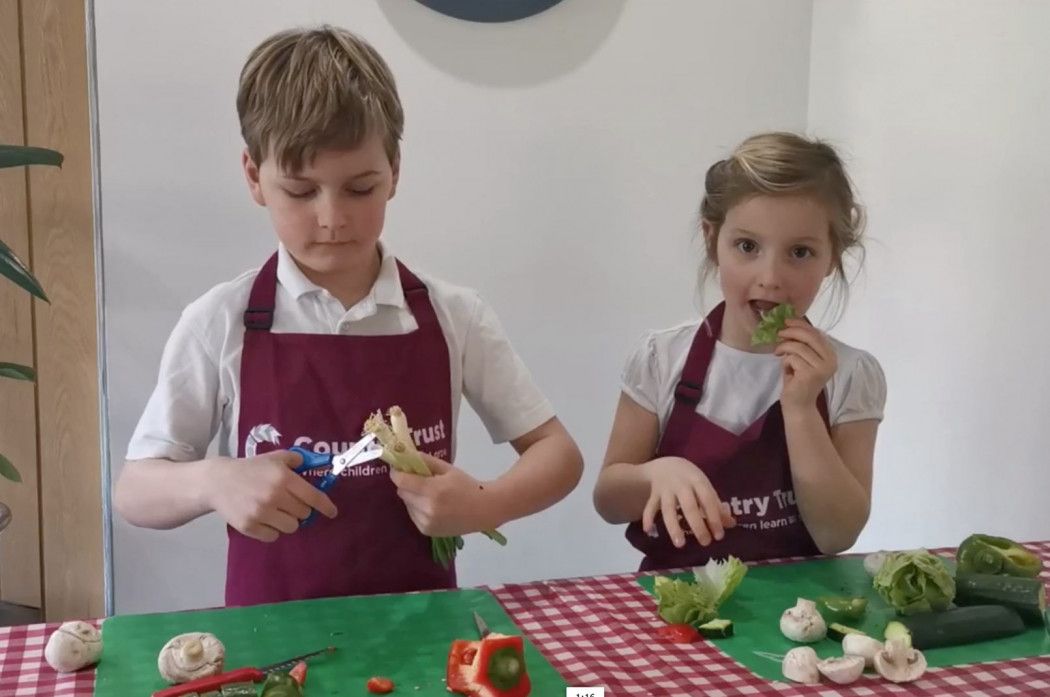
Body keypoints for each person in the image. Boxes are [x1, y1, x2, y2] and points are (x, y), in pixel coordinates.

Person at [114, 25, 583, 606]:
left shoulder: (452, 315)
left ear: (395, 172)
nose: (332, 218)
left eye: (360, 189)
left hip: (424, 639)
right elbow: (134, 492)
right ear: (254, 176)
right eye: (301, 191)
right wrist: (213, 480)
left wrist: (486, 502)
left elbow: (558, 455)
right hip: (275, 649)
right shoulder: (221, 321)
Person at [593, 132, 885, 571]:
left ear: (831, 258)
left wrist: (803, 408)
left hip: (798, 616)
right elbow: (609, 501)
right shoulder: (660, 358)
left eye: (800, 252)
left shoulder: (850, 374)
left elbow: (836, 534)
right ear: (713, 240)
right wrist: (654, 474)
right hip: (674, 611)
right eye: (747, 246)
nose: (770, 277)